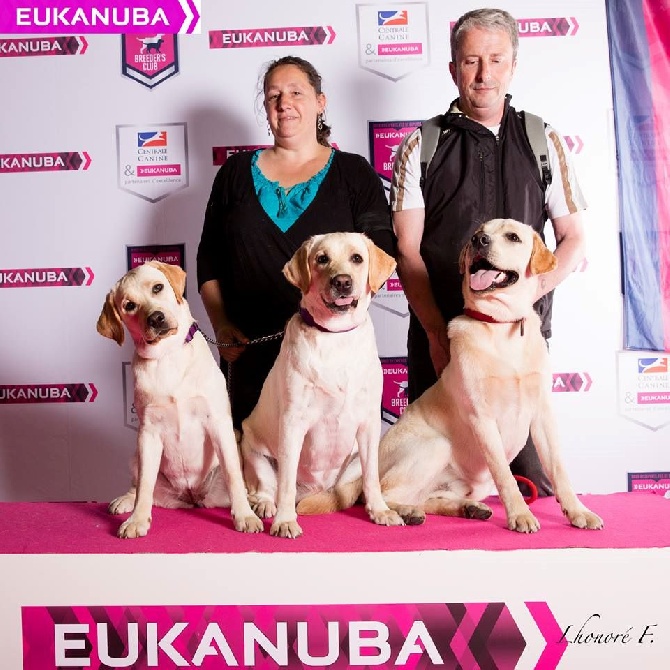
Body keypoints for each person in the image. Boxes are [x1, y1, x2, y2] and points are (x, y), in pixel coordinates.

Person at [390, 8, 587, 495]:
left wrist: (535, 288)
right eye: (471, 60)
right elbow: (407, 251)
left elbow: (575, 238)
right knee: (435, 485)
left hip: (522, 343)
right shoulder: (422, 144)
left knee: (526, 496)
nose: (483, 74)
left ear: (513, 64)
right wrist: (437, 335)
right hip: (446, 343)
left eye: (496, 59)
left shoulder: (543, 139)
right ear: (454, 67)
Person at [197, 55, 395, 429]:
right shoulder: (234, 174)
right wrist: (221, 324)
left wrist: (331, 321)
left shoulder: (354, 174)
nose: (284, 103)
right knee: (257, 476)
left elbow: (379, 257)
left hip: (329, 357)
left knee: (332, 475)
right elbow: (210, 260)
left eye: (296, 93)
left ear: (320, 102)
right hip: (251, 353)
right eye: (273, 96)